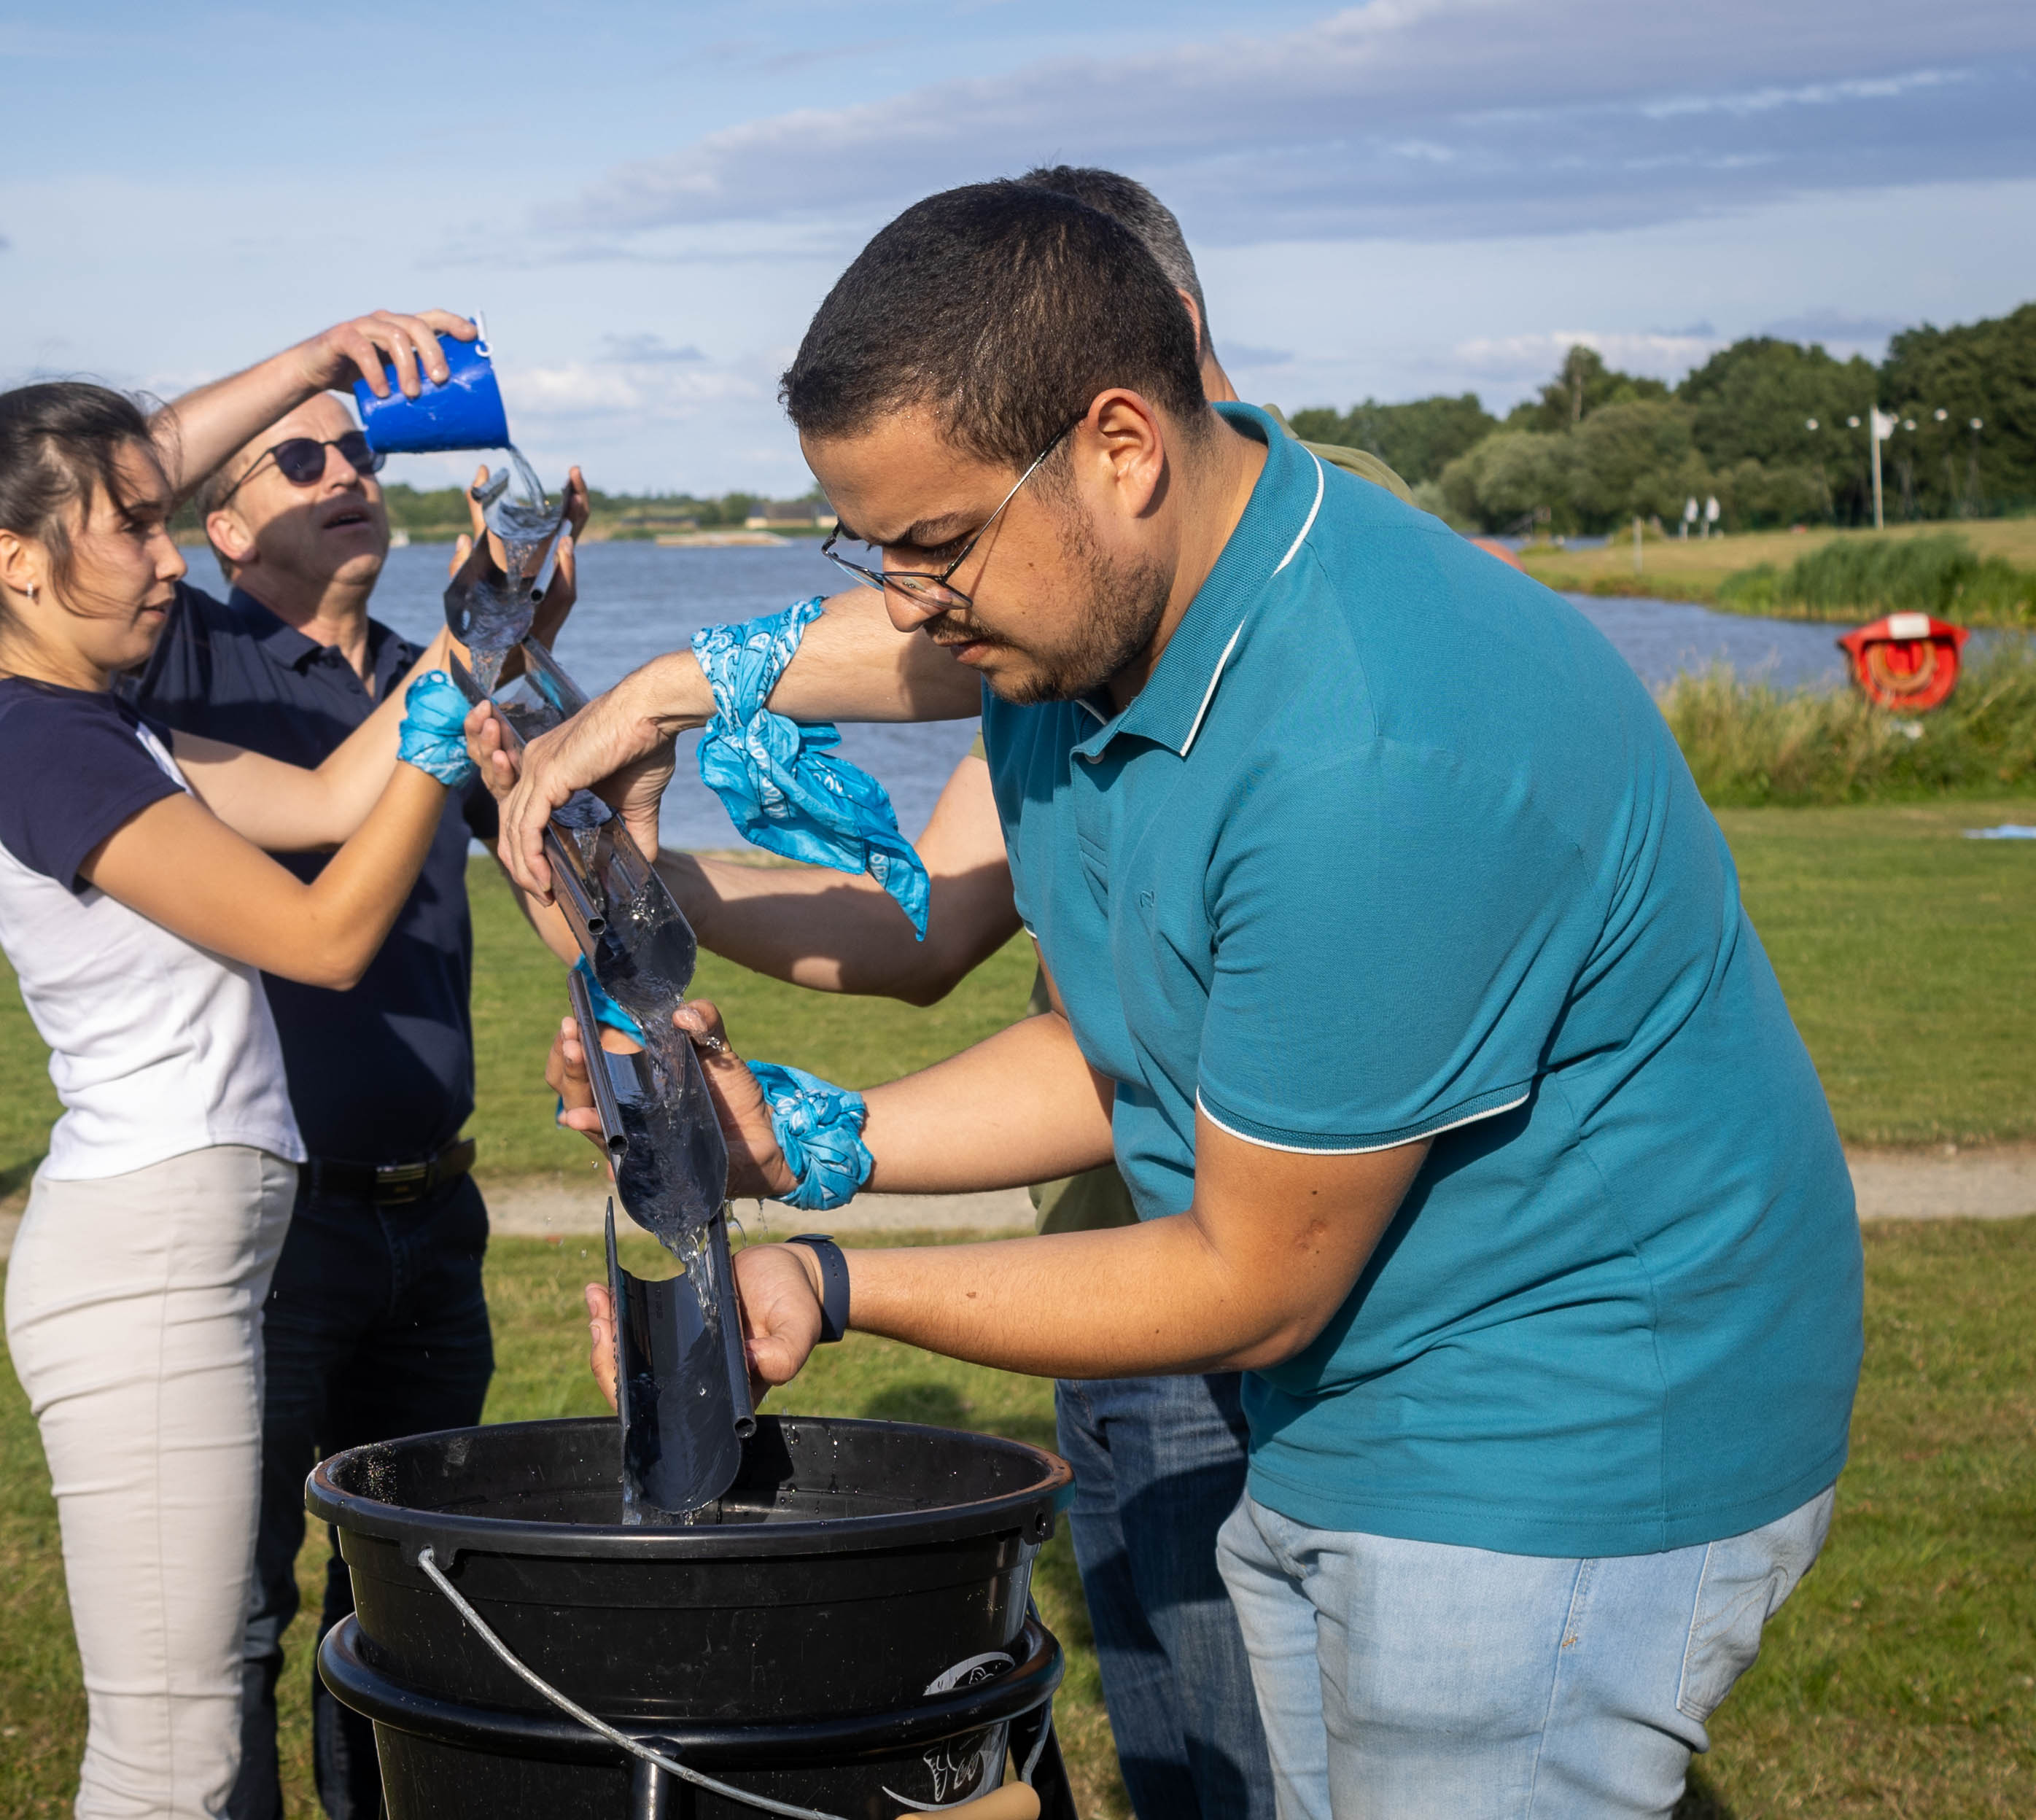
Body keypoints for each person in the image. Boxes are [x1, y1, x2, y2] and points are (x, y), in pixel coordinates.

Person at [503, 185, 1862, 1819]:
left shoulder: (1365, 748)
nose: (914, 605)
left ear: (1122, 444)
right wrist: (795, 1131)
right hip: (1351, 1407)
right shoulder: (1110, 624)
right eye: (874, 551)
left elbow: (1253, 1276)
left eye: (934, 547)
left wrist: (835, 1281)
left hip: (1559, 1435)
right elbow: (1123, 1052)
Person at [617, 163, 1422, 1820]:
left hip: (1290, 1313)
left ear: (1153, 365)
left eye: (945, 531)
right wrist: (643, 874)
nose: (931, 589)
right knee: (1188, 1761)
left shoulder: (1322, 623)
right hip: (1107, 1286)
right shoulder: (1059, 634)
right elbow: (928, 930)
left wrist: (828, 1242)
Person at [0, 308, 489, 1820]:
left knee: (185, 1737)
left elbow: (341, 788)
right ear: (19, 562)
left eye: (161, 524)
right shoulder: (44, 739)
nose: (167, 555)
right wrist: (464, 683)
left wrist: (466, 630)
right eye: (133, 531)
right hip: (144, 1268)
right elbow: (326, 936)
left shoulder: (85, 728)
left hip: (178, 1247)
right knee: (175, 1754)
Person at [123, 391, 587, 1820]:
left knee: (409, 1599)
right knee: (236, 1610)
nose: (354, 479)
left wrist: (520, 654)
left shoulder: (418, 663)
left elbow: (546, 859)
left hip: (430, 1216)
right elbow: (102, 487)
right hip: (270, 1227)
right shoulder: (173, 656)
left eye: (370, 460)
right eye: (305, 461)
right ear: (216, 520)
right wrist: (480, 636)